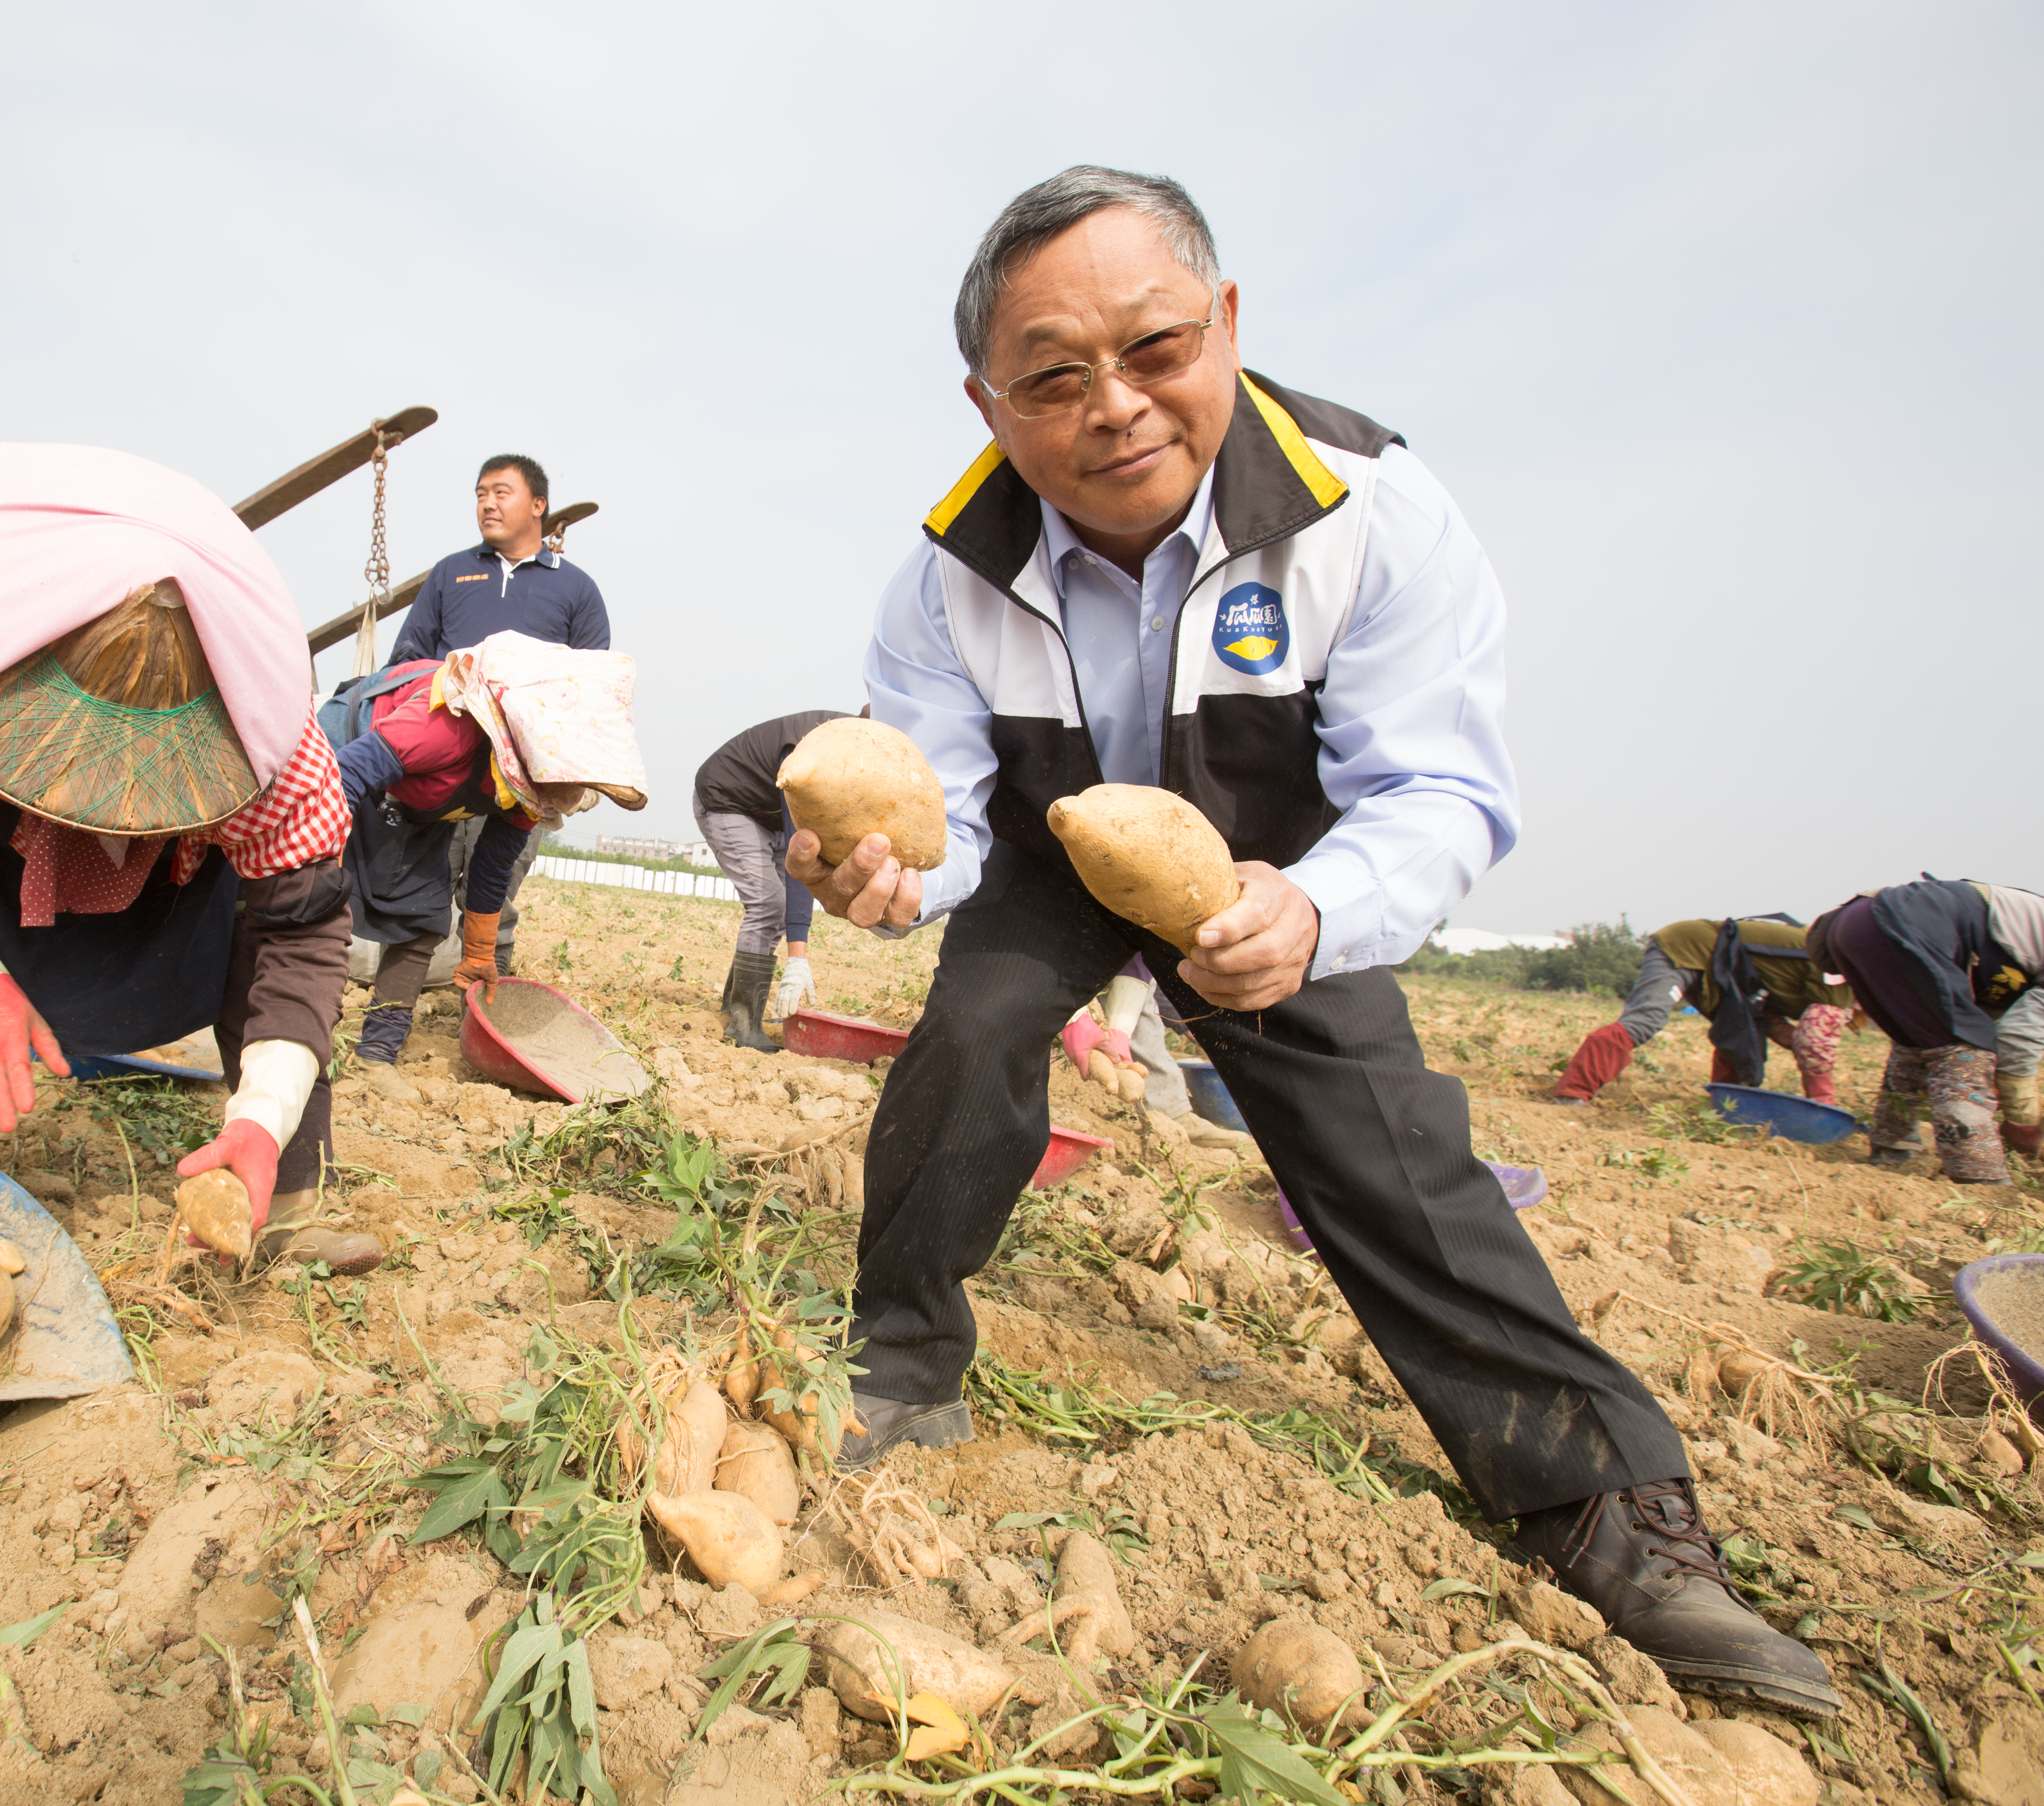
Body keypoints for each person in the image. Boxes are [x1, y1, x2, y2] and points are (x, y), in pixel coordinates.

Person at [787, 166, 1841, 1717]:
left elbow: (1440, 791)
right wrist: (890, 880)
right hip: (1052, 844)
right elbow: (938, 812)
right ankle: (899, 1355)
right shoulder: (946, 574)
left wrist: (1317, 912)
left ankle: (1601, 1500)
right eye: (1054, 379)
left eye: (1155, 349)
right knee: (975, 1030)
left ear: (1226, 321)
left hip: (1272, 859)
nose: (1115, 407)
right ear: (988, 405)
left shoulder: (1371, 512)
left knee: (1381, 1132)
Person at [0, 443, 380, 1277]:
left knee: (265, 962)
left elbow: (300, 938)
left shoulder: (277, 751)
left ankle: (285, 1217)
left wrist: (264, 1117)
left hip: (179, 897)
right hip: (3, 872)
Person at [335, 631, 649, 1101]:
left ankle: (375, 1058)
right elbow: (344, 773)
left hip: (419, 809)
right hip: (343, 772)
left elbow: (492, 868)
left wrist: (480, 953)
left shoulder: (529, 791)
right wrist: (321, 861)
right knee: (318, 904)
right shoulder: (447, 728)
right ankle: (292, 1041)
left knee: (423, 921)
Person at [382, 455, 611, 979]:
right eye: (481, 494)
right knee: (424, 882)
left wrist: (582, 772)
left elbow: (591, 688)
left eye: (502, 493)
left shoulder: (577, 589)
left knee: (497, 886)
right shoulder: (451, 572)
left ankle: (484, 1001)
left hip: (523, 774)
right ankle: (395, 1008)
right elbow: (408, 661)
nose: (488, 503)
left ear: (538, 505)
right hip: (442, 760)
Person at [1807, 879, 2043, 1184]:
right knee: (1962, 1048)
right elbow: (2018, 1040)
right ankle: (1980, 1178)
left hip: (1854, 924)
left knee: (1918, 1042)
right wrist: (2023, 1123)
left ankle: (1892, 1149)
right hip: (1907, 920)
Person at [1550, 918, 1852, 1105]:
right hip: (1688, 949)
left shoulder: (1829, 971)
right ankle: (1573, 1093)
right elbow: (1815, 1043)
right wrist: (1823, 1104)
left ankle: (1726, 1106)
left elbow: (1773, 1023)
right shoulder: (1840, 973)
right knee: (1645, 1021)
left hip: (1722, 973)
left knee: (1742, 1037)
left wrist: (1797, 1042)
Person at [692, 710, 848, 1050]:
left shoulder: (849, 754)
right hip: (729, 801)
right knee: (768, 905)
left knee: (776, 908)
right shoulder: (811, 751)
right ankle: (744, 1024)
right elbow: (803, 845)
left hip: (768, 814)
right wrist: (798, 956)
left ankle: (734, 1008)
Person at [1059, 953, 1251, 1148]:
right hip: (1052, 956)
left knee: (1128, 972)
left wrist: (1120, 1032)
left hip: (1119, 952)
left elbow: (1136, 963)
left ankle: (1170, 1114)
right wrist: (1075, 1019)